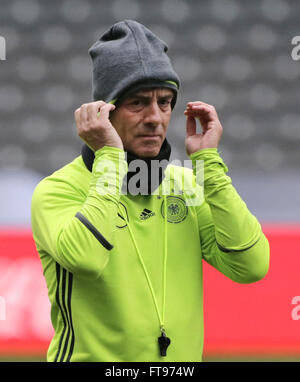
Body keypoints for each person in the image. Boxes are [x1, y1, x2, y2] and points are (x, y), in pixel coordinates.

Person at [31, 20, 270, 362]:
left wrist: (208, 166)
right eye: (138, 103)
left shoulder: (188, 185)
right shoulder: (57, 191)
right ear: (104, 113)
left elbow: (252, 266)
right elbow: (85, 258)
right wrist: (111, 156)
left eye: (165, 102)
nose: (155, 117)